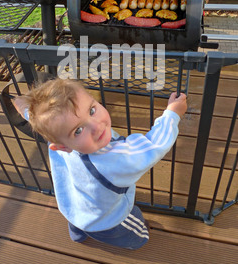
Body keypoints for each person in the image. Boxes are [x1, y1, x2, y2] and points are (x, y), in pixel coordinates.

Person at [13, 77, 187, 250]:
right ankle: (138, 238)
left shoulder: (57, 132)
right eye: (78, 130)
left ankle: (78, 235)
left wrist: (23, 105)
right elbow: (153, 146)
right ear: (62, 147)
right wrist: (172, 114)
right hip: (106, 220)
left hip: (72, 206)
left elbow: (30, 112)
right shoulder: (111, 160)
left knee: (78, 224)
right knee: (136, 230)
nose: (97, 127)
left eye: (92, 110)